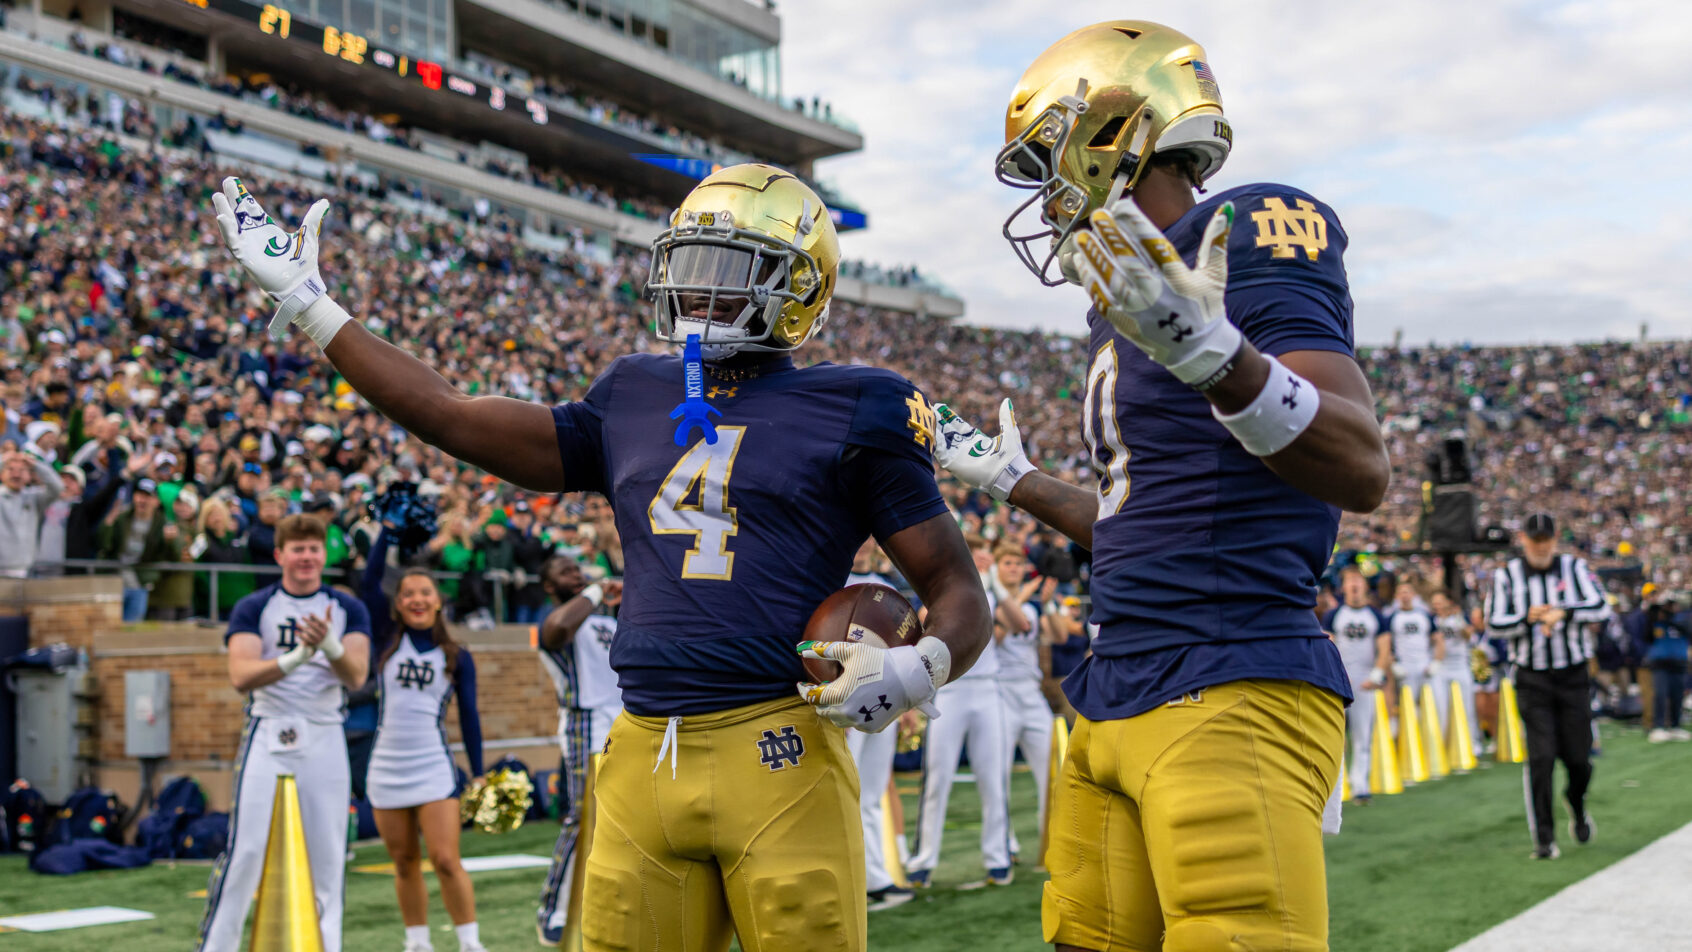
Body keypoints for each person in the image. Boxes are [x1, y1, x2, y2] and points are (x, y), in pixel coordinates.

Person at [210, 164, 992, 952]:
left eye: (731, 269)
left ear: (800, 288)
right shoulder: (633, 390)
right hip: (640, 746)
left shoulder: (860, 403)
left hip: (778, 743)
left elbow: (956, 587)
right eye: (692, 263)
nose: (700, 289)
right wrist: (312, 305)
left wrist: (920, 666)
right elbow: (449, 413)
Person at [932, 20, 1388, 950]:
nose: (1046, 194)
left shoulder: (1241, 230)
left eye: (1048, 159)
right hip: (1113, 690)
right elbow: (1145, 522)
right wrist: (1017, 480)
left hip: (1229, 681)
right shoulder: (1125, 298)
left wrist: (1215, 353)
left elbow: (1361, 464)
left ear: (1113, 132)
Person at [197, 514, 371, 952]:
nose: (306, 557)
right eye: (297, 549)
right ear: (279, 555)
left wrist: (330, 646)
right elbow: (241, 675)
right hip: (270, 729)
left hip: (325, 730)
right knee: (245, 852)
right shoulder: (255, 606)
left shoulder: (347, 609)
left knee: (328, 855)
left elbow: (357, 675)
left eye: (313, 548)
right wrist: (297, 656)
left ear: (324, 554)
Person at [361, 520, 488, 952]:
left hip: (432, 764)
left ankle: (469, 942)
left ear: (438, 601)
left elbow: (469, 717)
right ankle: (417, 942)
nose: (417, 599)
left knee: (446, 860)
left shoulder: (458, 656)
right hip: (386, 765)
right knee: (403, 861)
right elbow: (368, 581)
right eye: (408, 594)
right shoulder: (385, 639)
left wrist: (478, 772)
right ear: (398, 604)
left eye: (425, 593)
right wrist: (386, 532)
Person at [1485, 513, 1611, 859]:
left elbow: (1602, 606)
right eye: (1535, 540)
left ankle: (1576, 802)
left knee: (1579, 758)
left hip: (1573, 676)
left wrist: (1564, 612)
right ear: (1524, 540)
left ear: (1555, 540)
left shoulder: (1574, 568)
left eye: (1546, 540)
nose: (1540, 546)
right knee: (1540, 757)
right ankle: (1544, 838)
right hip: (1532, 678)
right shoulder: (1506, 575)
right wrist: (1527, 618)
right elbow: (1494, 623)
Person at [908, 534, 1012, 888]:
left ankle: (998, 859)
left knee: (993, 778)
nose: (981, 560)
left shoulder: (994, 591)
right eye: (976, 555)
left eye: (985, 555)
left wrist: (995, 585)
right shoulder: (944, 587)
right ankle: (923, 860)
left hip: (988, 689)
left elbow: (1020, 624)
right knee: (937, 779)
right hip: (950, 690)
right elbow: (923, 621)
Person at [533, 556, 623, 946]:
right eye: (563, 571)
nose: (574, 573)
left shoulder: (604, 618)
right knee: (582, 819)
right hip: (586, 725)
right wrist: (596, 589)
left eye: (576, 568)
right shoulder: (555, 620)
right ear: (549, 585)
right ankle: (552, 910)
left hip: (625, 721)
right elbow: (556, 631)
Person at [841, 540, 914, 910]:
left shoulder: (886, 587)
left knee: (870, 793)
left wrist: (908, 701)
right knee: (846, 792)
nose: (863, 544)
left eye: (868, 536)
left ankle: (875, 878)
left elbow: (903, 648)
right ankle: (854, 880)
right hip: (846, 697)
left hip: (883, 696)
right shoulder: (831, 580)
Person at [991, 543, 1056, 866]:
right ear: (996, 568)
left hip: (1031, 693)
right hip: (1000, 693)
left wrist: (1049, 604)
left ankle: (1053, 841)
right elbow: (998, 636)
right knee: (998, 774)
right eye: (1007, 562)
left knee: (1053, 768)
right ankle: (1006, 845)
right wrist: (1017, 597)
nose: (1014, 568)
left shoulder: (1032, 604)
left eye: (1018, 563)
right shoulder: (989, 601)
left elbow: (1059, 637)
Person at [1324, 568, 1390, 802]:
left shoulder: (1376, 616)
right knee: (1336, 736)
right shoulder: (1333, 615)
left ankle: (1360, 785)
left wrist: (1377, 674)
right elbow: (1327, 646)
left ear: (1365, 586)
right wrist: (1335, 675)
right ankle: (1336, 787)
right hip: (1340, 681)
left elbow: (1384, 647)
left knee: (1363, 735)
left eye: (1357, 580)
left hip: (1364, 682)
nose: (1354, 585)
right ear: (1343, 587)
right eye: (1349, 581)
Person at [1430, 589, 1484, 762]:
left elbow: (1469, 636)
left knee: (1467, 707)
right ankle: (1444, 746)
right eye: (1434, 603)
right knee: (1441, 708)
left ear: (1448, 602)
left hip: (1460, 666)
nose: (1437, 605)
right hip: (1441, 667)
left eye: (1440, 601)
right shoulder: (1431, 620)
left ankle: (1473, 743)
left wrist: (1459, 620)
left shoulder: (1459, 617)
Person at [1, 449, 61, 577]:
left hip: (26, 569)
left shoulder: (34, 497)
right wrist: (2, 460)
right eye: (10, 469)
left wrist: (35, 464)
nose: (16, 475)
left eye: (21, 470)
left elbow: (57, 488)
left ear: (29, 475)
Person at [1387, 580, 1441, 700]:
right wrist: (1394, 664)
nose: (1404, 595)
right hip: (1404, 666)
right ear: (1396, 596)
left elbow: (1438, 640)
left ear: (1414, 595)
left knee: (1430, 703)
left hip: (1424, 665)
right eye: (1401, 592)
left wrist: (1436, 662)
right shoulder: (1392, 617)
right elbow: (1386, 644)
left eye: (1407, 592)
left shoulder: (1425, 615)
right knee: (1407, 704)